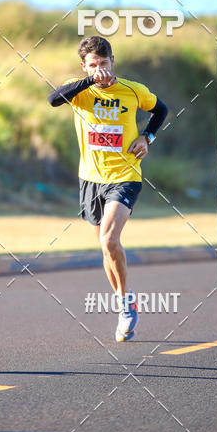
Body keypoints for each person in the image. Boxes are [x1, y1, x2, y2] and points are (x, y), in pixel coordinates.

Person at [48, 35, 168, 342]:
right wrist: (88, 82)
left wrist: (147, 138)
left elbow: (161, 110)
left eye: (103, 63)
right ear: (84, 66)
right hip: (89, 179)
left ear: (112, 61)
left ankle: (127, 305)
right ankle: (121, 301)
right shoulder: (81, 91)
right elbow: (53, 99)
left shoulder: (132, 90)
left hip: (125, 174)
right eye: (92, 65)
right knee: (104, 246)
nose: (99, 70)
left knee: (110, 239)